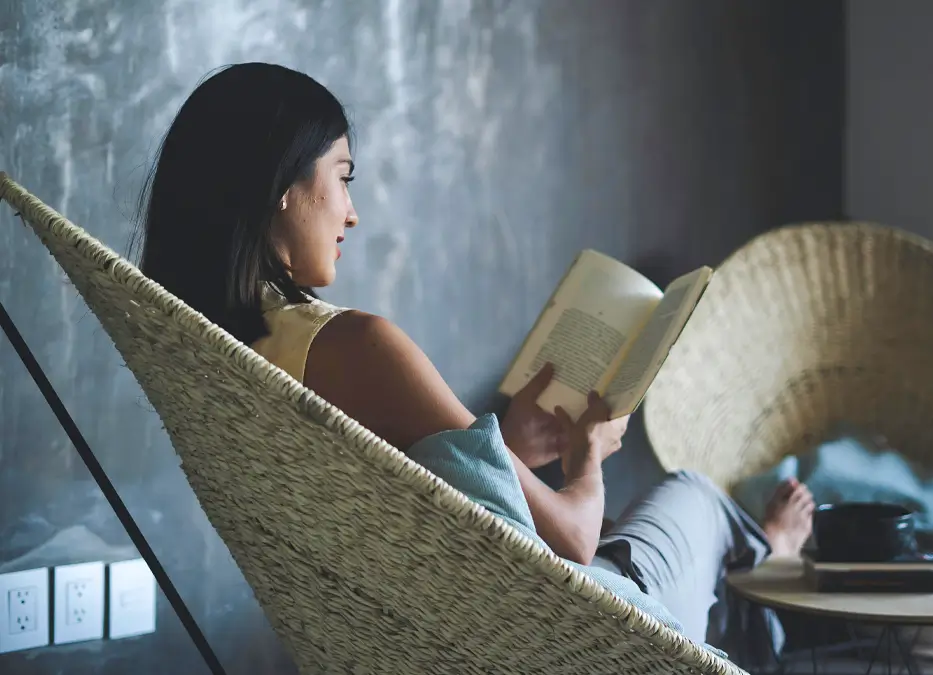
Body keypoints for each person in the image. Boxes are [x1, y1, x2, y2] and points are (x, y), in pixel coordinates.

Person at [135, 62, 815, 658]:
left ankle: (749, 586)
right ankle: (767, 567)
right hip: (582, 632)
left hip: (453, 628)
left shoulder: (220, 357)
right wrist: (586, 455)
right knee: (695, 494)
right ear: (282, 185)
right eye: (342, 178)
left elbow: (405, 504)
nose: (352, 213)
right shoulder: (357, 344)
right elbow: (574, 541)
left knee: (676, 543)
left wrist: (508, 444)